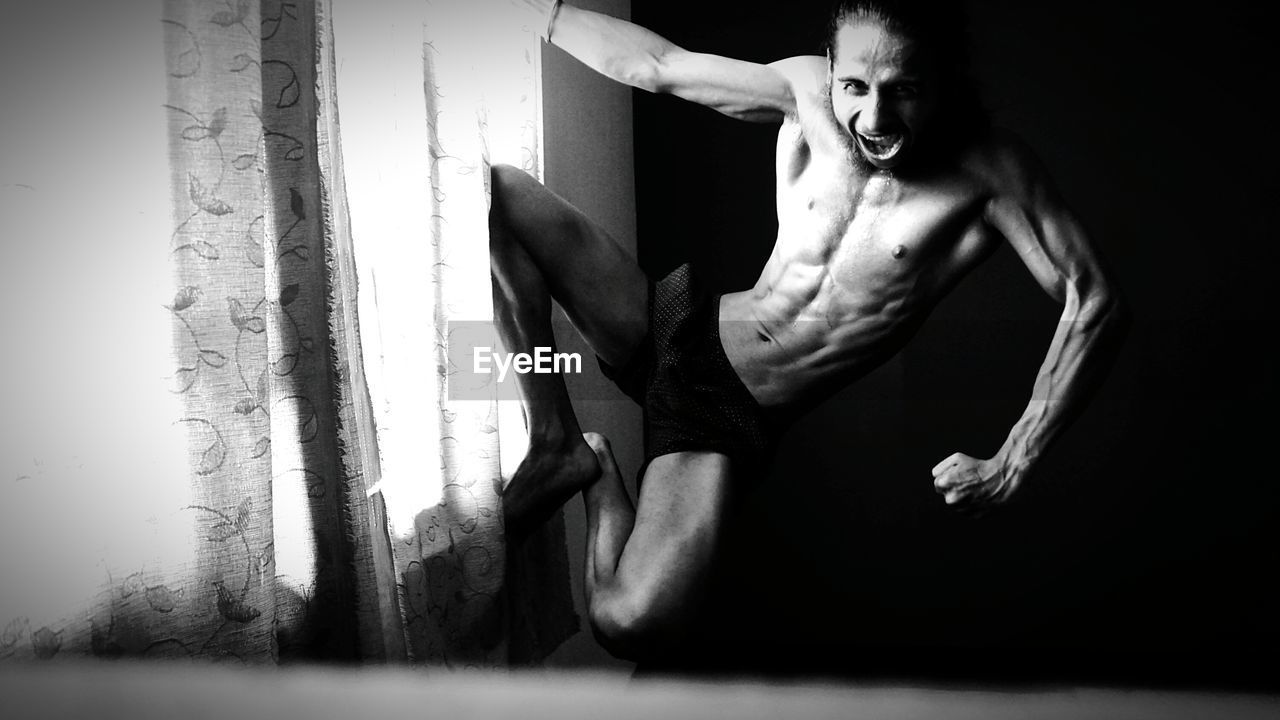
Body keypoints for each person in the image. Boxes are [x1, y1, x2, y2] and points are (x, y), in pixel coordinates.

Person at [490, 0, 1126, 661]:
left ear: (944, 81)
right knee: (501, 194)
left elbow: (1096, 300)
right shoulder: (804, 90)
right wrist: (537, 9)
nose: (875, 120)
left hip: (721, 413)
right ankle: (555, 439)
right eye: (855, 87)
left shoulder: (992, 174)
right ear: (832, 71)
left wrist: (1013, 459)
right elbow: (658, 65)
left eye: (904, 90)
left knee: (628, 623)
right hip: (676, 325)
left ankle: (595, 468)